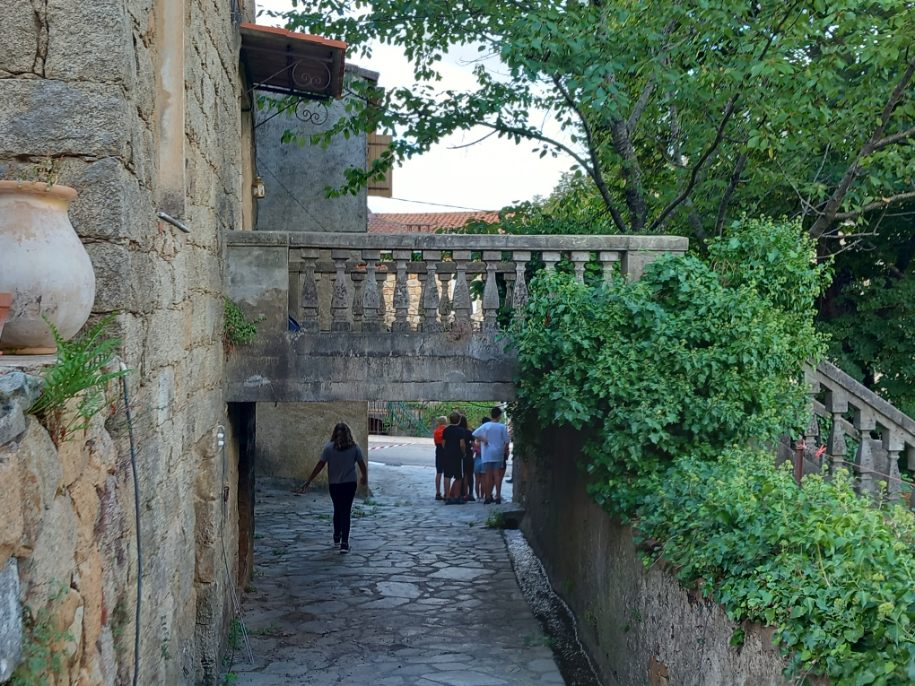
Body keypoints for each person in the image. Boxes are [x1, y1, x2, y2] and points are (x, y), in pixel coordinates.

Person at [294, 422, 368, 554]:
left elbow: (320, 465)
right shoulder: (355, 448)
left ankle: (336, 537)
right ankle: (344, 543)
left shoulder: (328, 448)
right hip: (349, 484)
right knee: (346, 512)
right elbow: (362, 465)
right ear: (348, 434)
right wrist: (364, 477)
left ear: (334, 433)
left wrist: (308, 481)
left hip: (334, 485)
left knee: (337, 510)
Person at [473, 406, 511, 504]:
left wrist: (483, 439)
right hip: (498, 452)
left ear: (491, 415)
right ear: (499, 415)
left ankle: (487, 496)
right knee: (497, 474)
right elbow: (507, 440)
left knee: (487, 475)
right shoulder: (502, 426)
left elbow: (475, 434)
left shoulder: (486, 425)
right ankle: (497, 496)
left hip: (487, 453)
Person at [441, 411, 466, 505]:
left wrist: (446, 450)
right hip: (457, 455)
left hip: (447, 454)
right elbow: (462, 444)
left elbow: (443, 443)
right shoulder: (460, 431)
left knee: (447, 476)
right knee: (458, 476)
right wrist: (464, 453)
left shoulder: (446, 430)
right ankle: (456, 496)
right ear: (459, 420)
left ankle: (447, 496)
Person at [459, 415, 475, 501]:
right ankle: (470, 493)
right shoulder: (469, 432)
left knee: (461, 474)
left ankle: (462, 492)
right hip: (468, 454)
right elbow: (473, 444)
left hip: (459, 455)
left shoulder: (457, 431)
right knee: (469, 474)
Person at [433, 416, 447, 500]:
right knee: (446, 473)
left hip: (438, 450)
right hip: (445, 451)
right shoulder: (447, 430)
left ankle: (438, 492)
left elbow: (435, 442)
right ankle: (446, 493)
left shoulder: (436, 431)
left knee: (438, 472)